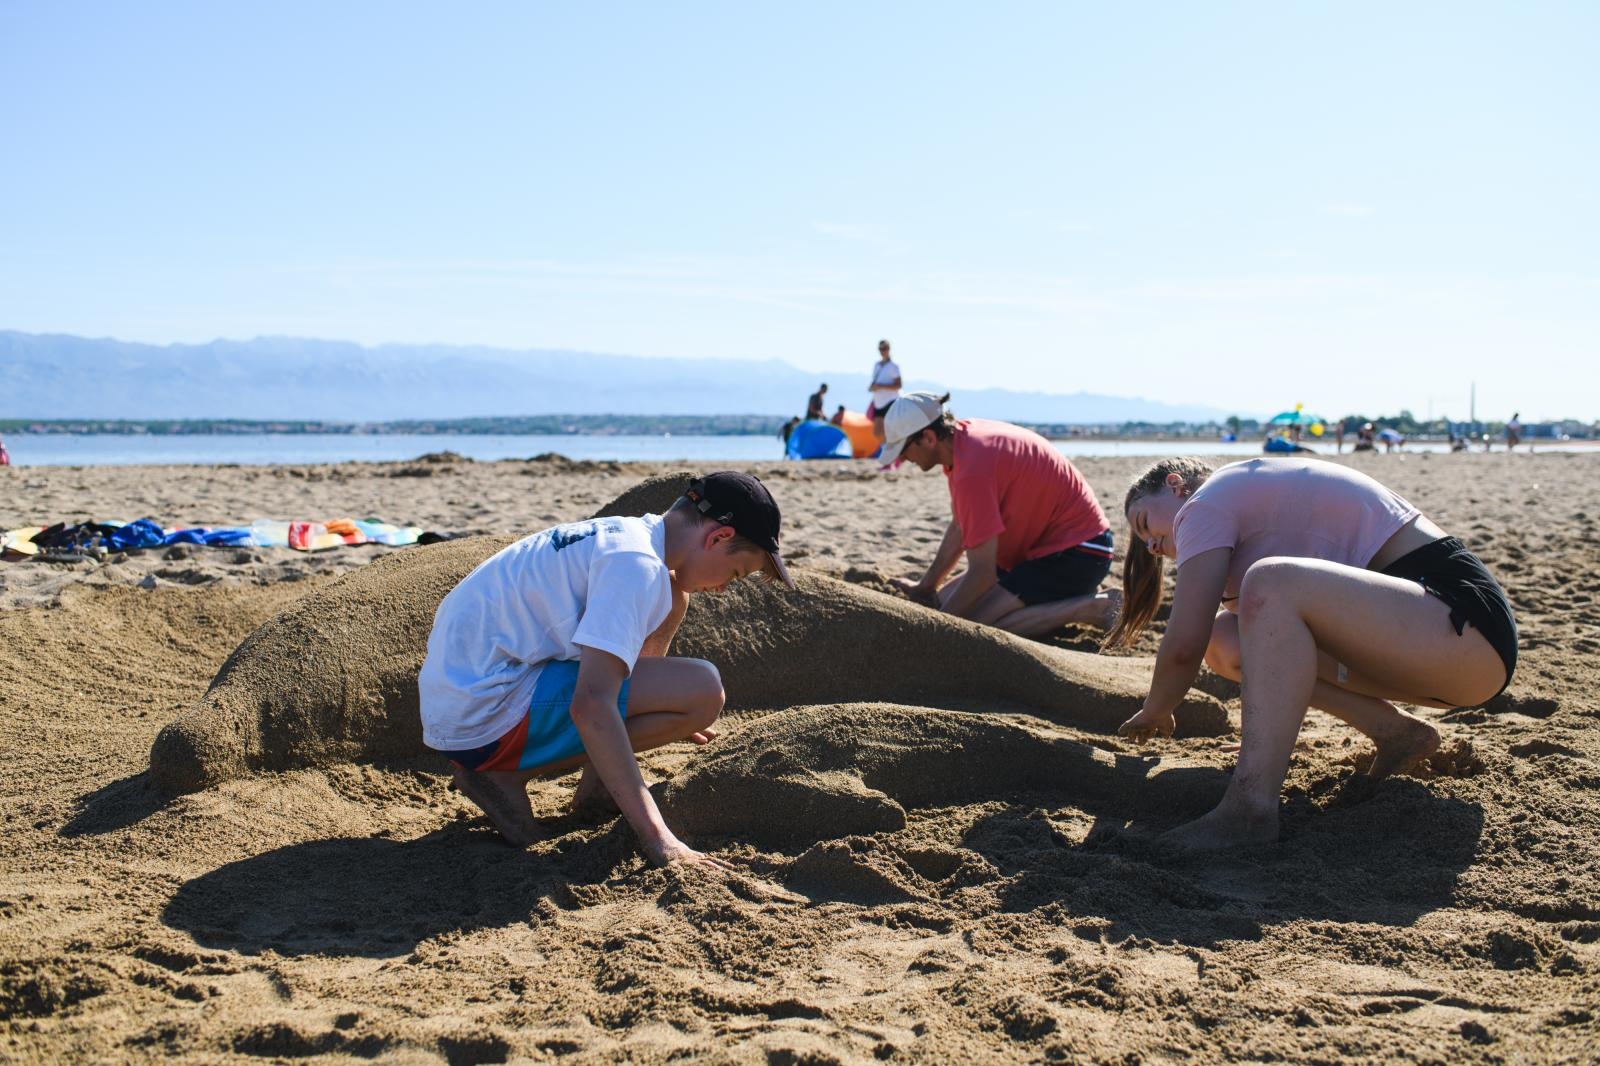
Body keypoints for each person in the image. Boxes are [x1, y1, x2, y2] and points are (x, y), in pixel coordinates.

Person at [1107, 456, 1516, 850]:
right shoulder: (1241, 515)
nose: (1152, 546)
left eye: (1145, 524)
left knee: (1270, 583)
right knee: (1227, 641)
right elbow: (1270, 647)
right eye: (1144, 544)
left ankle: (1250, 808)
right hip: (1447, 654)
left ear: (1175, 485)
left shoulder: (1206, 501)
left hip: (1465, 623)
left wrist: (1157, 710)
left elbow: (1183, 646)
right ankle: (1397, 732)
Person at [419, 472, 795, 867]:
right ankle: (500, 777)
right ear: (718, 538)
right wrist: (659, 840)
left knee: (672, 597)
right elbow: (591, 705)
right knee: (704, 689)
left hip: (468, 697)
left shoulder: (629, 538)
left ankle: (598, 789)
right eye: (734, 575)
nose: (723, 589)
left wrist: (652, 700)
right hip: (485, 715)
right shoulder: (637, 567)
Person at [882, 392, 1120, 635]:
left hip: (1080, 553)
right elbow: (960, 525)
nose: (902, 458)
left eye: (903, 449)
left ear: (929, 437)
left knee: (975, 625)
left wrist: (934, 630)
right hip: (1045, 550)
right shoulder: (963, 442)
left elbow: (982, 574)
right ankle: (1064, 595)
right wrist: (925, 587)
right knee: (943, 600)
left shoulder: (972, 469)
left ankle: (1094, 608)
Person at [866, 339, 902, 427]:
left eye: (884, 348)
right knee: (878, 432)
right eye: (880, 349)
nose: (882, 351)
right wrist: (872, 387)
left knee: (889, 429)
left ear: (889, 349)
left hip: (890, 401)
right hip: (878, 402)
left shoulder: (893, 366)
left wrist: (880, 386)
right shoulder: (877, 365)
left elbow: (898, 385)